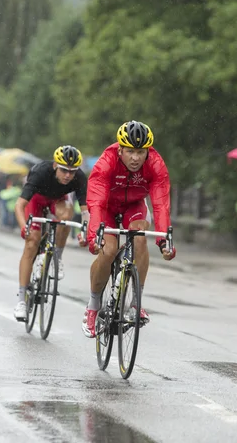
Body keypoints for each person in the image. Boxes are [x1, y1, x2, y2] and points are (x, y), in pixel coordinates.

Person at [82, 121, 176, 338]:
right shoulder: (106, 162)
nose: (135, 158)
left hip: (134, 207)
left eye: (141, 152)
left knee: (140, 237)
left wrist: (164, 241)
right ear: (120, 149)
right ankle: (93, 306)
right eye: (131, 152)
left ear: (148, 151)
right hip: (106, 207)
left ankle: (135, 304)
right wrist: (94, 235)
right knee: (108, 249)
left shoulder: (156, 164)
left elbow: (161, 204)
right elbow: (95, 202)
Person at [13, 145, 88, 322]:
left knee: (67, 214)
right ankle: (21, 300)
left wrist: (86, 231)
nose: (68, 175)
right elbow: (19, 205)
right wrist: (24, 227)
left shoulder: (79, 178)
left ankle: (57, 258)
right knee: (32, 242)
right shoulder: (40, 172)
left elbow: (85, 212)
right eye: (64, 170)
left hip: (58, 202)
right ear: (55, 165)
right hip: (36, 202)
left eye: (72, 171)